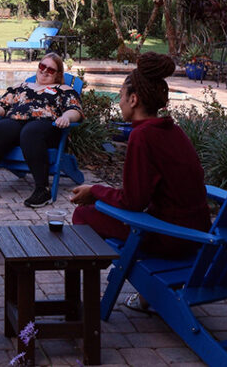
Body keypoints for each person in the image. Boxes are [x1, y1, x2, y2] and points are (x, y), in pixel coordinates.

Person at [69, 53, 211, 310]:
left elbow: (133, 202)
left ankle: (100, 291)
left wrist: (95, 192)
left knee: (84, 215)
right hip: (197, 234)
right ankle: (148, 293)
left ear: (134, 99)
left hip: (171, 239)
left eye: (121, 96)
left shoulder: (142, 136)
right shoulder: (172, 130)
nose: (119, 102)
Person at [0, 52, 84, 208]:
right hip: (17, 122)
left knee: (31, 132)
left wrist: (66, 117)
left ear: (58, 74)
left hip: (47, 126)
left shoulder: (64, 89)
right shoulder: (21, 87)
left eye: (51, 70)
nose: (45, 71)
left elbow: (75, 109)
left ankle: (42, 190)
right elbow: (2, 105)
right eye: (42, 66)